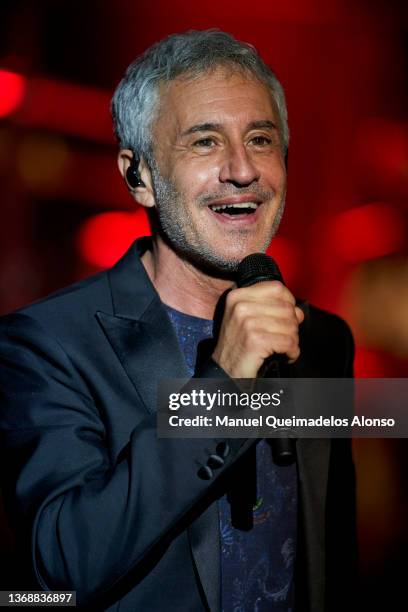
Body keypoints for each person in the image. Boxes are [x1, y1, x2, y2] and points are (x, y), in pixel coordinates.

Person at [0, 30, 356, 611]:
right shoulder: (46, 346)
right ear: (138, 175)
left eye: (261, 139)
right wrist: (222, 386)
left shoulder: (322, 341)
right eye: (204, 142)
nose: (243, 170)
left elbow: (330, 554)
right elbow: (60, 573)